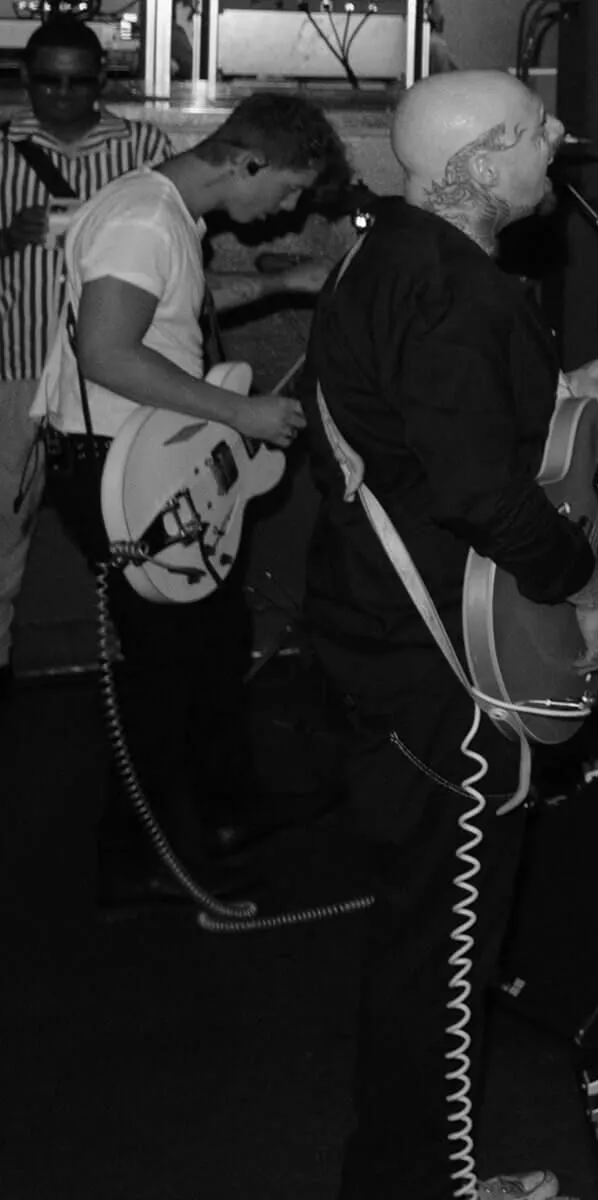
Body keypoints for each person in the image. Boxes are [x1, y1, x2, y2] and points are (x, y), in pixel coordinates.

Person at [300, 70, 598, 1200]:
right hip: (442, 668)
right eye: (529, 129)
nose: (557, 135)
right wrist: (590, 583)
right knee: (447, 954)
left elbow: (425, 415)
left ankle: (412, 1176)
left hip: (382, 639)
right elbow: (472, 488)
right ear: (470, 171)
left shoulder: (398, 251)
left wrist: (560, 391)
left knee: (430, 936)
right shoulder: (460, 291)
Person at [30, 92, 351, 900]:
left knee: (208, 645)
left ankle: (223, 812)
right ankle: (141, 854)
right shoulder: (144, 217)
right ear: (246, 161)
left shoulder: (164, 212)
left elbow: (168, 314)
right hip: (116, 468)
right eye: (284, 190)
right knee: (170, 663)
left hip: (144, 461)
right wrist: (239, 411)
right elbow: (107, 352)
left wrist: (294, 284)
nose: (283, 213)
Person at [0, 16, 175, 701]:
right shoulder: (4, 148)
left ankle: (146, 700)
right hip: (17, 373)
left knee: (137, 543)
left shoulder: (146, 147)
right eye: (49, 80)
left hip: (116, 383)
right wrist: (7, 239)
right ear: (24, 79)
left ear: (103, 79)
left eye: (79, 80)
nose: (64, 95)